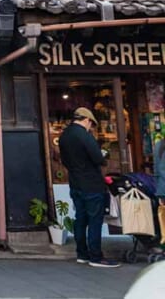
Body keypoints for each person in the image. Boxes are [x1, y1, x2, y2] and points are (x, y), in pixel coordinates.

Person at [58, 107, 119, 268]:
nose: (90, 127)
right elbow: (98, 158)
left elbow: (63, 160)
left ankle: (82, 254)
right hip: (91, 183)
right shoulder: (85, 136)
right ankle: (96, 256)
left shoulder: (64, 136)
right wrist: (103, 154)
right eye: (91, 124)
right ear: (87, 120)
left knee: (81, 218)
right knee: (95, 220)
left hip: (75, 181)